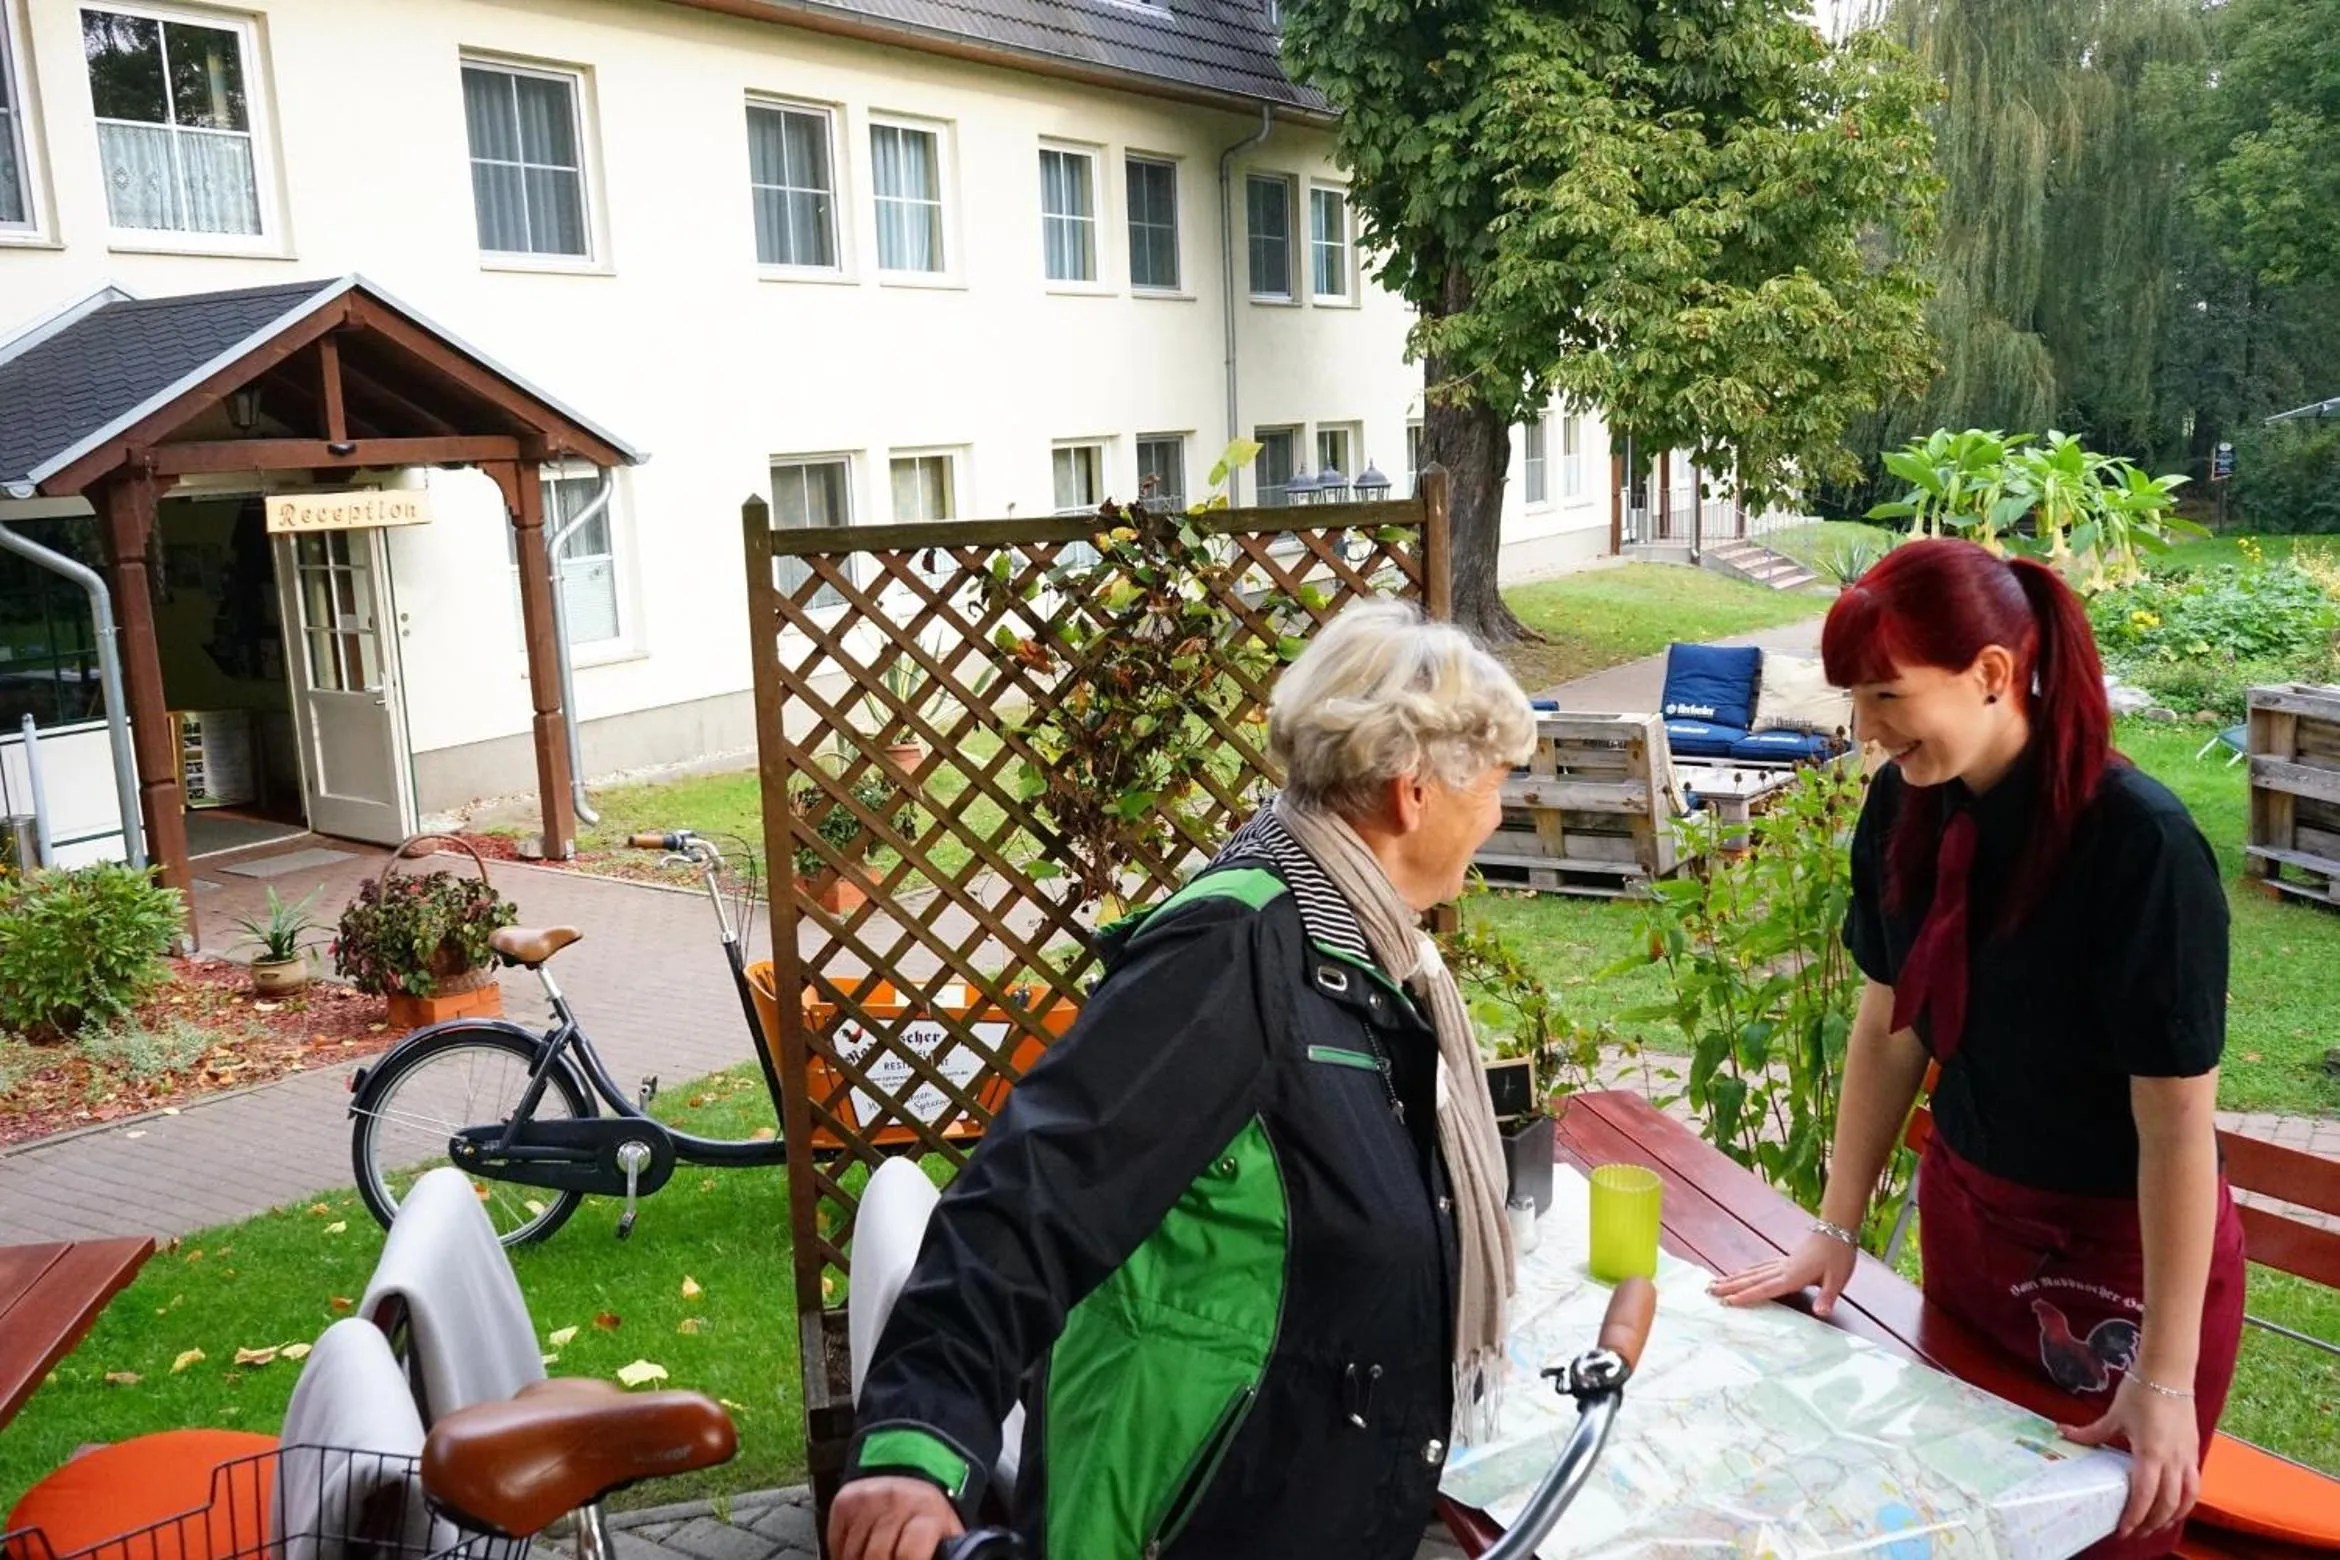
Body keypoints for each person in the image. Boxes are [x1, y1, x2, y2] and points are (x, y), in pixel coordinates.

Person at [829, 599, 1535, 1560]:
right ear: (1414, 791)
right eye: (1494, 785)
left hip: (1304, 1496)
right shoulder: (1232, 952)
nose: (1498, 814)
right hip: (1184, 1516)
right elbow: (1031, 1190)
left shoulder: (1368, 955)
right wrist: (916, 1445)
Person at [1709, 539, 2245, 1559]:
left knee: (2097, 1543)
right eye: (1853, 701)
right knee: (1952, 1521)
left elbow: (2177, 1132)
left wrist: (2163, 1379)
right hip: (1970, 1230)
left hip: (2119, 1268)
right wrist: (1834, 1228)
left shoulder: (2140, 847)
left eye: (1884, 696)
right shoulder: (1906, 806)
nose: (1866, 732)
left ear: (1992, 675)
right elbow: (1888, 1025)